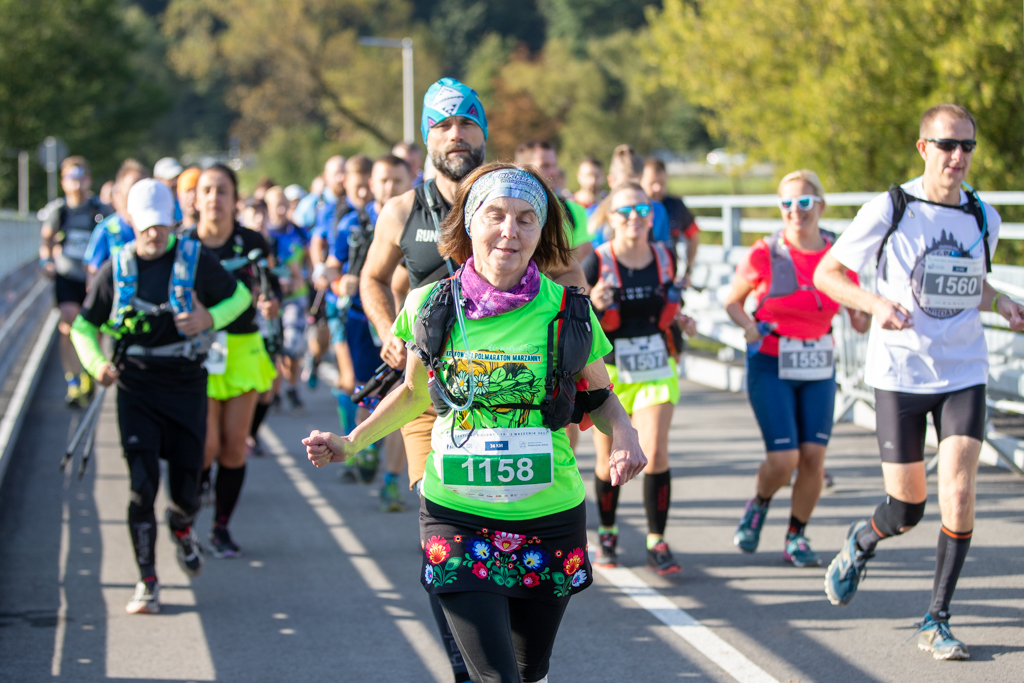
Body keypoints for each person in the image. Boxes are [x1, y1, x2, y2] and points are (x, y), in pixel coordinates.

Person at [307, 162, 646, 683]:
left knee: (530, 672)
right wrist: (351, 442)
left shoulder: (567, 310)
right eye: (496, 215)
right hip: (457, 513)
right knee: (496, 678)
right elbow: (412, 394)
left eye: (526, 219)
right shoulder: (430, 304)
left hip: (548, 514)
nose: (510, 231)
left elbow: (600, 397)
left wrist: (624, 434)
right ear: (469, 223)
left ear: (541, 233)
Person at [360, 78, 587, 683]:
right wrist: (387, 330)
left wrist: (576, 342)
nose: (455, 135)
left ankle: (498, 655)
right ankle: (473, 663)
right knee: (449, 519)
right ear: (427, 138)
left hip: (521, 391)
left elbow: (570, 275)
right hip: (432, 394)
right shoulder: (403, 210)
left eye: (466, 123)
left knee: (514, 536)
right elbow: (373, 279)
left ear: (483, 132)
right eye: (442, 125)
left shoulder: (516, 199)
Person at [814, 104, 1024, 660]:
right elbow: (827, 274)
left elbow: (970, 283)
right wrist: (875, 303)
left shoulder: (983, 215)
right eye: (947, 144)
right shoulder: (892, 207)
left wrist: (1001, 302)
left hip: (963, 370)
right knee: (907, 508)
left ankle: (938, 618)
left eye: (967, 146)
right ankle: (863, 539)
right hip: (900, 373)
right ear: (923, 148)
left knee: (959, 489)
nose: (958, 156)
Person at [70, 178, 251, 614]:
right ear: (131, 222)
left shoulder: (194, 258)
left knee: (187, 492)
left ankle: (183, 526)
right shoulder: (116, 268)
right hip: (135, 387)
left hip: (186, 385)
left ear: (173, 220)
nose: (154, 234)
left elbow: (241, 296)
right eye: (146, 225)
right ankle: (147, 581)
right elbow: (82, 328)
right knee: (142, 487)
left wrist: (209, 318)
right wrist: (97, 365)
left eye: (162, 225)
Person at [723, 170, 870, 568]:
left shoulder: (839, 255)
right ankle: (759, 502)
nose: (795, 211)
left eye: (804, 202)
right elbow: (733, 301)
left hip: (818, 364)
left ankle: (796, 536)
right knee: (784, 459)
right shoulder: (765, 252)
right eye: (786, 203)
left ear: (820, 205)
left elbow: (858, 317)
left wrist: (865, 312)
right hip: (771, 362)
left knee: (813, 459)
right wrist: (749, 326)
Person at [584, 182, 697, 575]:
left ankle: (656, 540)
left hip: (655, 367)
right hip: (609, 370)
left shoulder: (666, 256)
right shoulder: (597, 261)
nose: (634, 217)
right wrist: (594, 303)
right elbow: (576, 320)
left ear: (652, 217)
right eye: (625, 211)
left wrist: (682, 320)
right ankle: (608, 532)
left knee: (655, 451)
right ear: (611, 218)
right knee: (608, 460)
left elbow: (669, 306)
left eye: (642, 210)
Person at [191, 164, 279, 558]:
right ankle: (187, 514)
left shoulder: (252, 241)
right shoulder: (183, 243)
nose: (214, 198)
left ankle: (221, 528)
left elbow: (271, 285)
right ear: (196, 199)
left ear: (235, 199)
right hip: (198, 352)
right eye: (207, 190)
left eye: (222, 190)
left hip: (243, 348)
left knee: (233, 448)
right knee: (206, 446)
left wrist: (271, 302)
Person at [327, 155, 412, 507]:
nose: (389, 187)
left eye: (397, 180)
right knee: (366, 391)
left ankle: (391, 482)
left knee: (405, 399)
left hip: (409, 326)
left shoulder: (419, 220)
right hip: (363, 321)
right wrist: (338, 283)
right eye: (383, 180)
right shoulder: (352, 223)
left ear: (410, 182)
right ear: (372, 184)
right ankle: (365, 446)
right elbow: (332, 268)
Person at [39, 156, 113, 406]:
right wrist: (46, 261)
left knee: (94, 327)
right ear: (63, 182)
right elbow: (46, 239)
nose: (77, 183)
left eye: (81, 178)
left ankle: (89, 371)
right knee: (68, 323)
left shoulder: (99, 210)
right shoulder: (58, 211)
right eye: (71, 178)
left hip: (94, 278)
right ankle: (73, 382)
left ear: (89, 180)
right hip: (67, 276)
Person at [515, 140, 593, 262]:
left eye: (555, 165)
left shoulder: (575, 210)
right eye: (545, 166)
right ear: (522, 168)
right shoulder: (507, 209)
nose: (554, 172)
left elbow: (583, 261)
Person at [84, 160, 150, 282]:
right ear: (118, 192)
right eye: (133, 187)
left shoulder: (157, 229)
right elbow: (92, 272)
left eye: (143, 188)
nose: (139, 193)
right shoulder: (106, 229)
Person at [641, 157, 701, 288]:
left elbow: (693, 235)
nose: (657, 188)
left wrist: (688, 271)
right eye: (652, 183)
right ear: (640, 181)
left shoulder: (675, 206)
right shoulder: (633, 210)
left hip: (669, 278)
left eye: (662, 183)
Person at [153, 157, 184, 222]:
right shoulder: (151, 205)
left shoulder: (185, 202)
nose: (175, 182)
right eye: (170, 178)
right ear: (156, 179)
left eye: (177, 177)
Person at [177, 167, 201, 233]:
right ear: (179, 196)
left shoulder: (217, 234)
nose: (192, 195)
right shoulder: (172, 235)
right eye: (188, 190)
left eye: (196, 190)